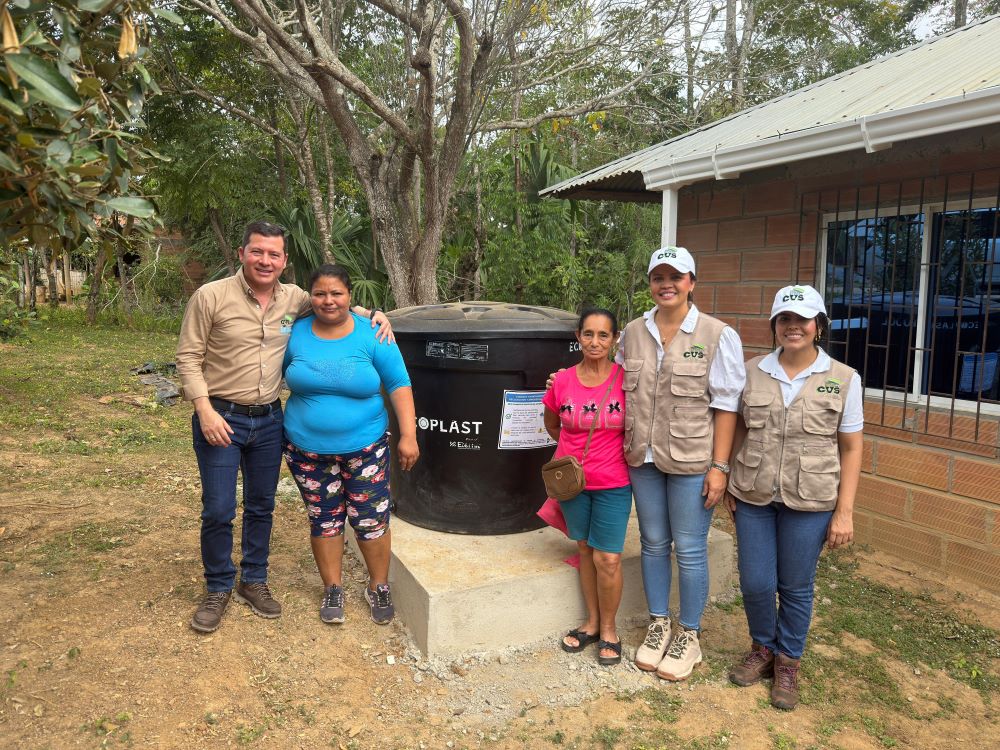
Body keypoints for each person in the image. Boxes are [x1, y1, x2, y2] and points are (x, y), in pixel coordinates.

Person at [177, 221, 392, 634]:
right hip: (221, 417)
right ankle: (219, 586)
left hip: (270, 419)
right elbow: (188, 357)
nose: (265, 260)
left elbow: (336, 305)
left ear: (284, 261)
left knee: (262, 505)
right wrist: (204, 409)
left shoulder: (295, 298)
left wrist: (374, 315)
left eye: (274, 254)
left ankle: (253, 581)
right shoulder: (210, 296)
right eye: (257, 252)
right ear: (242, 253)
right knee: (219, 508)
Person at [724, 284, 862, 710]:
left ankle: (788, 661)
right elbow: (740, 427)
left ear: (818, 326)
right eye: (785, 319)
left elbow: (852, 447)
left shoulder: (843, 378)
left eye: (802, 319)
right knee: (756, 582)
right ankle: (762, 648)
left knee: (796, 586)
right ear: (775, 326)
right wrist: (730, 475)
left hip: (813, 500)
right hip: (754, 494)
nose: (793, 327)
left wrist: (845, 512)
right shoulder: (751, 371)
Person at [623, 245, 746, 681]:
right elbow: (614, 386)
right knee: (654, 543)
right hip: (643, 457)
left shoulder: (716, 335)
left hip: (693, 460)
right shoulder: (632, 332)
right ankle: (659, 623)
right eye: (659, 276)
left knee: (691, 549)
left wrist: (720, 466)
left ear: (692, 283)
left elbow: (727, 406)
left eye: (676, 276)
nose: (666, 284)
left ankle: (689, 635)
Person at [282, 264, 419, 625]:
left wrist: (409, 435)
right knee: (324, 519)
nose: (329, 301)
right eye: (321, 293)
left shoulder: (373, 333)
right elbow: (267, 360)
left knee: (371, 520)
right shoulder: (292, 332)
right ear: (310, 297)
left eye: (337, 293)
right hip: (306, 451)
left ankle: (378, 586)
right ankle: (332, 587)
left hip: (365, 450)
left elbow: (399, 383)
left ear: (350, 296)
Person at [542, 308, 631, 665]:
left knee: (607, 556)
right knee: (584, 549)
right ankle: (592, 623)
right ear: (578, 336)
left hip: (614, 482)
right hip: (572, 484)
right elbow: (552, 424)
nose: (595, 342)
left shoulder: (626, 380)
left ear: (615, 339)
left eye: (603, 335)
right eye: (588, 334)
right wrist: (572, 453)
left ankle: (610, 628)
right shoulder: (562, 381)